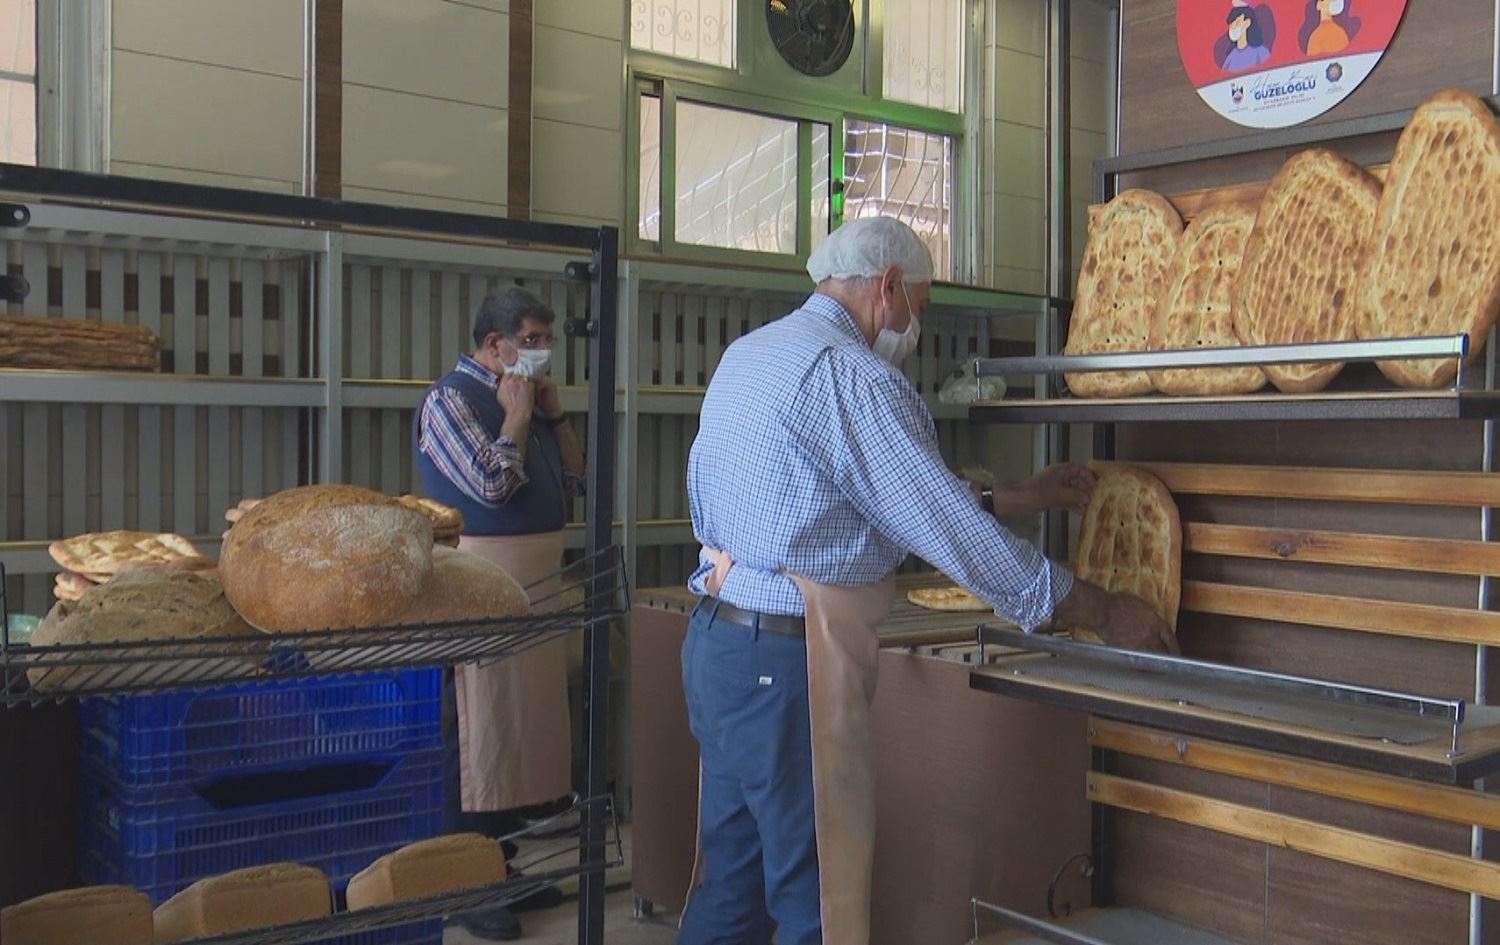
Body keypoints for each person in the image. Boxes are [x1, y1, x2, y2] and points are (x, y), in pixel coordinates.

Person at [680, 216, 1177, 945]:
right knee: (820, 898)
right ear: (887, 288)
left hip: (719, 644)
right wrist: (1100, 608)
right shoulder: (855, 377)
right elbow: (957, 538)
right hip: (790, 666)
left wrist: (1021, 495)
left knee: (731, 884)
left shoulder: (751, 355)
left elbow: (871, 494)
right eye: (922, 304)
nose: (917, 324)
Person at [415, 285, 584, 941]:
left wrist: (555, 415)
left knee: (525, 726)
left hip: (537, 585)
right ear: (495, 345)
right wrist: (513, 419)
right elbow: (489, 483)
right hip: (479, 587)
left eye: (547, 341)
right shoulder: (450, 402)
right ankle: (462, 878)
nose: (541, 353)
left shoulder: (532, 400)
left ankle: (501, 861)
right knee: (478, 727)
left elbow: (575, 479)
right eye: (532, 341)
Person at [1220, 4, 1272, 72]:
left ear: (1247, 22)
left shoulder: (1260, 52)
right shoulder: (1230, 58)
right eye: (1231, 25)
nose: (1233, 28)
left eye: (1237, 23)